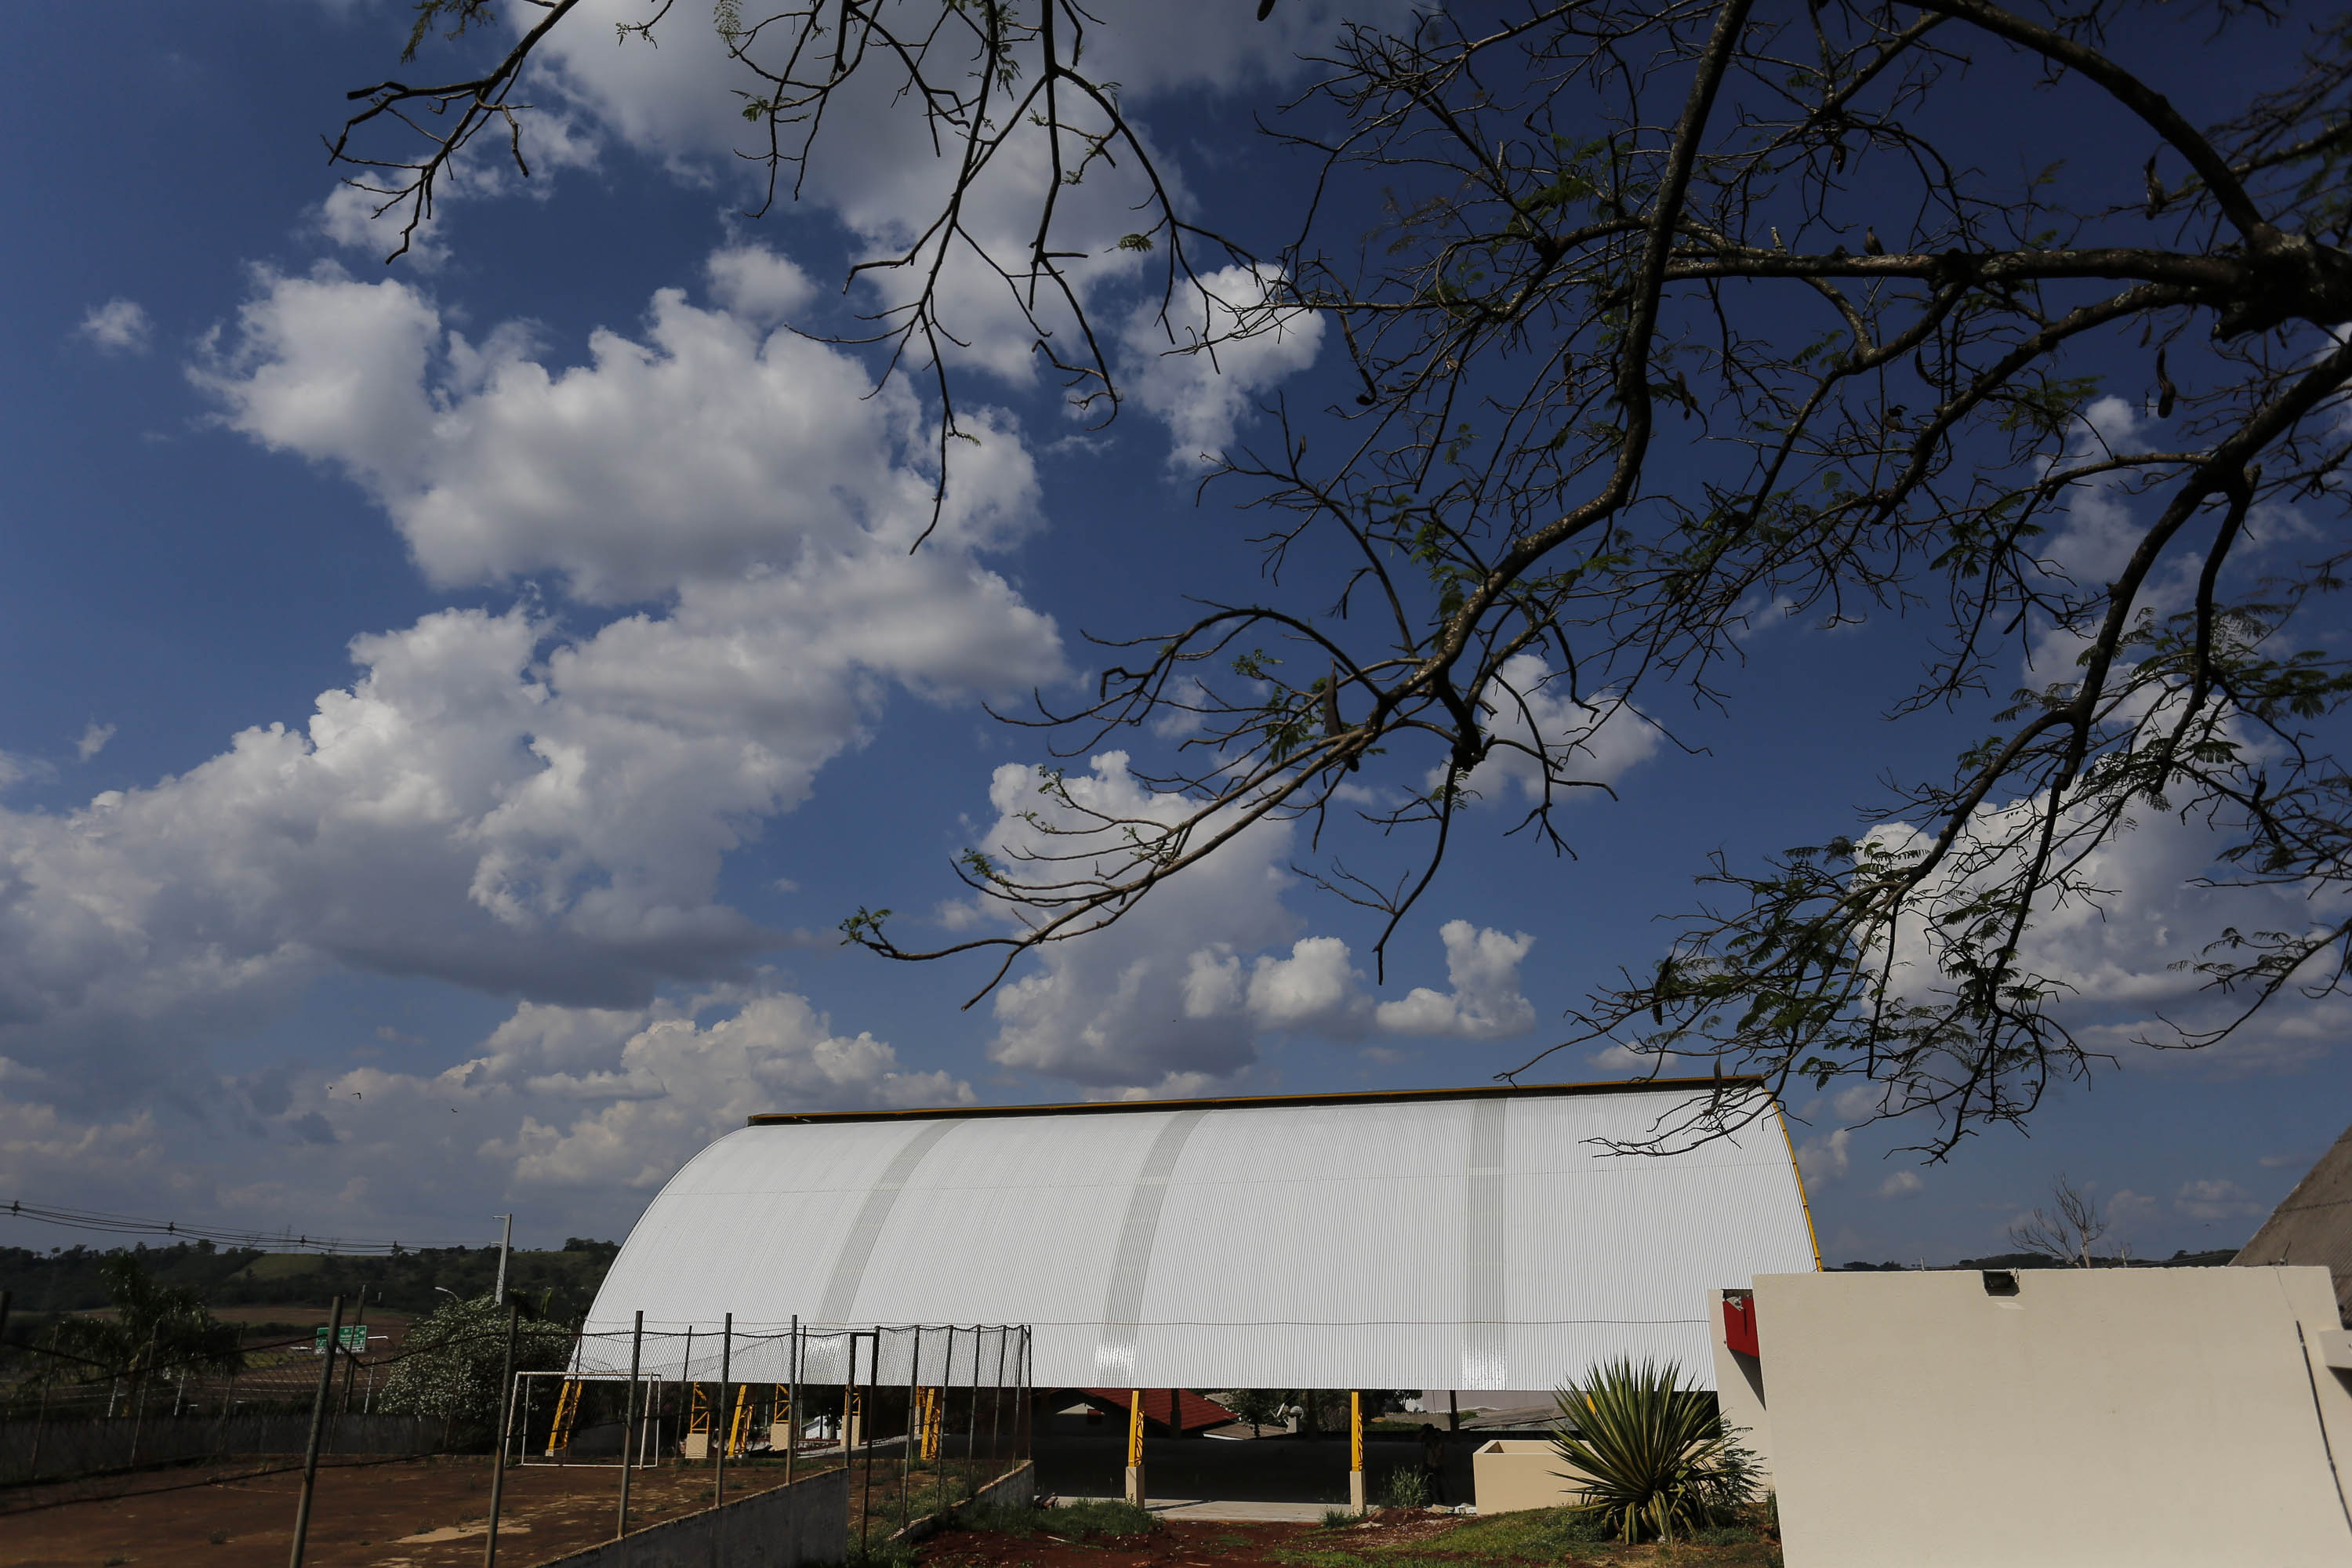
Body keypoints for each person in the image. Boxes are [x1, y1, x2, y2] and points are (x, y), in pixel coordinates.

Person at [1418, 1423, 1450, 1506]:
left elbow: (1440, 1451)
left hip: (1435, 1464)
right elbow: (1425, 1453)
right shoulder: (1428, 1442)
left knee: (1437, 1483)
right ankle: (1431, 1499)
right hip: (1429, 1463)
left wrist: (1438, 1459)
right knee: (1429, 1483)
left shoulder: (1436, 1439)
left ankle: (1441, 1499)